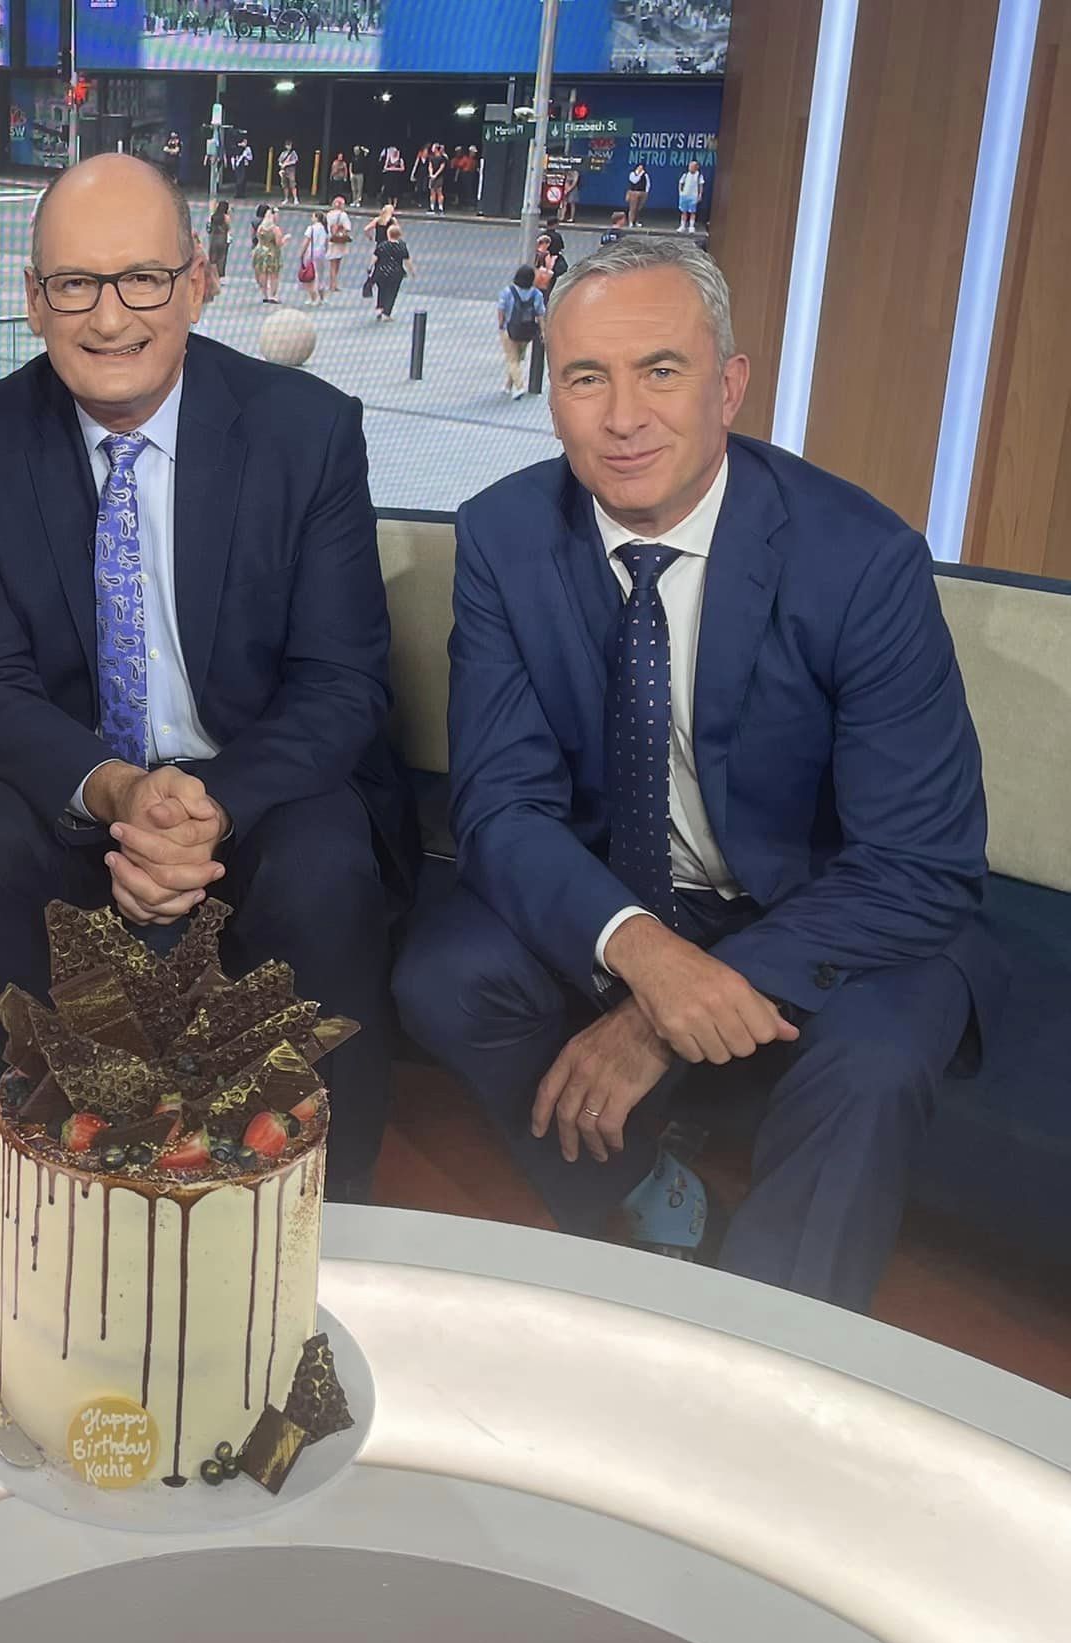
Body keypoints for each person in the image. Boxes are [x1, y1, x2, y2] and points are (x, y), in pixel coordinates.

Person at [392, 237, 1003, 1310]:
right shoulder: (503, 535)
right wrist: (643, 952)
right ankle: (637, 1195)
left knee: (872, 1061)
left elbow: (919, 861)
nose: (622, 417)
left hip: (837, 909)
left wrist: (653, 1015)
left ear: (728, 386)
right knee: (443, 973)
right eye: (587, 377)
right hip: (630, 888)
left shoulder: (860, 559)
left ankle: (771, 1339)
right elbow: (499, 805)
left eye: (661, 371)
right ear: (552, 396)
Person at [0, 154, 417, 1199]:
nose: (109, 318)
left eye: (141, 278)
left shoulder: (306, 431)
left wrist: (205, 808)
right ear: (33, 299)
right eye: (75, 284)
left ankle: (325, 1200)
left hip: (255, 786)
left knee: (326, 866)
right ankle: (37, 1183)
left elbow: (340, 684)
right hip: (72, 787)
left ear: (198, 282)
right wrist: (118, 790)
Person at [497, 263, 544, 398]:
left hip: (510, 329)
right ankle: (508, 386)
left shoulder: (508, 292)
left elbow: (501, 310)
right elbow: (540, 314)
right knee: (517, 359)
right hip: (527, 331)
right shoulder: (536, 294)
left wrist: (501, 325)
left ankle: (519, 387)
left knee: (512, 359)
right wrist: (543, 331)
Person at [370, 213, 410, 320]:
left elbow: (374, 258)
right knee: (392, 292)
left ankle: (379, 307)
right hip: (396, 272)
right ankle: (387, 313)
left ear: (388, 234)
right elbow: (407, 260)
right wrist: (412, 271)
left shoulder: (382, 245)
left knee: (381, 290)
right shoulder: (402, 246)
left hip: (382, 271)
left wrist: (370, 268)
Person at [251, 202, 283, 301]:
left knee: (262, 273)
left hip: (260, 250)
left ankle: (264, 294)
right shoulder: (275, 229)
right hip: (272, 252)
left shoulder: (261, 227)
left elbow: (256, 237)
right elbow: (278, 243)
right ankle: (272, 295)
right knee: (273, 275)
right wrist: (285, 239)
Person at [299, 206, 329, 304]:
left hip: (311, 253)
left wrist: (301, 253)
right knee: (320, 275)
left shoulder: (311, 228)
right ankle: (322, 297)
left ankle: (313, 298)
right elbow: (326, 243)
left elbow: (306, 242)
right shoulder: (325, 229)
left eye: (313, 216)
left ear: (316, 218)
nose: (311, 218)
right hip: (321, 253)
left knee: (311, 276)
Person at [324, 194, 352, 293]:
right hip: (340, 240)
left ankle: (332, 284)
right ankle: (334, 284)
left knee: (332, 263)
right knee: (337, 262)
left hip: (332, 239)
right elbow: (348, 228)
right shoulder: (343, 215)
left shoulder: (329, 215)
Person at [205, 198, 231, 291]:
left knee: (213, 258)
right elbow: (228, 228)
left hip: (213, 239)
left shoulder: (213, 216)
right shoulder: (226, 217)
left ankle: (212, 275)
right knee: (222, 258)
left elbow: (209, 228)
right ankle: (220, 276)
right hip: (222, 238)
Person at [678, 159, 706, 234]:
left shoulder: (699, 176)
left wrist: (700, 195)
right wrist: (681, 192)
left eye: (692, 166)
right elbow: (680, 183)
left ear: (696, 167)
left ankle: (691, 226)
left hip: (693, 196)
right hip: (684, 195)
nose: (690, 168)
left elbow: (701, 186)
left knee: (692, 212)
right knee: (684, 211)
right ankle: (682, 226)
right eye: (690, 166)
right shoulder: (685, 175)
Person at [423, 142, 447, 214]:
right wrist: (431, 174)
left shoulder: (442, 158)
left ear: (436, 149)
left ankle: (440, 208)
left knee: (439, 192)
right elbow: (430, 166)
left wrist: (436, 175)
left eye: (433, 148)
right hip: (432, 177)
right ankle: (432, 207)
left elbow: (442, 167)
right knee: (432, 192)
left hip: (439, 176)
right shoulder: (431, 157)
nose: (432, 149)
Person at [625, 159, 650, 228]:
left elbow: (648, 183)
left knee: (638, 209)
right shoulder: (632, 174)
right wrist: (639, 174)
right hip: (634, 192)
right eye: (639, 167)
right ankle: (630, 222)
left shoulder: (645, 175)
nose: (641, 169)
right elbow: (634, 181)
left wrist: (646, 192)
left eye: (642, 168)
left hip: (642, 192)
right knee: (632, 208)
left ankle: (635, 221)